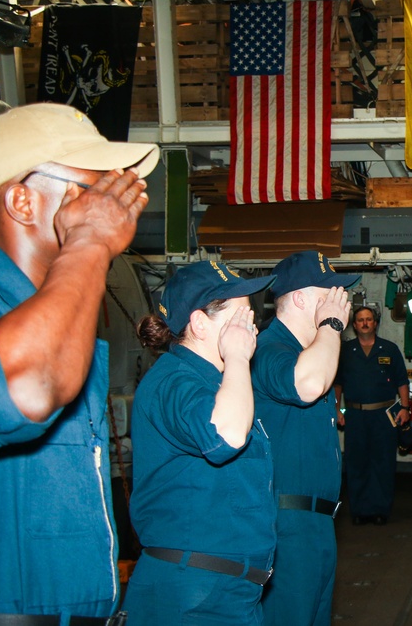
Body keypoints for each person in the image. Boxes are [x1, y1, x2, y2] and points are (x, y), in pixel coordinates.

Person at [0, 103, 157, 621]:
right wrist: (89, 241)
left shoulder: (67, 310)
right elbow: (22, 392)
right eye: (90, 188)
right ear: (22, 199)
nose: (113, 204)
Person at [124, 261, 277, 625]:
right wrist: (239, 356)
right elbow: (226, 435)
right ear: (198, 323)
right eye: (240, 318)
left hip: (228, 591)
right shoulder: (174, 382)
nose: (251, 326)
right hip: (193, 593)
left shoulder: (217, 384)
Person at [253, 251, 357, 626]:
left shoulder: (311, 351)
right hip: (287, 527)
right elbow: (308, 384)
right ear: (299, 298)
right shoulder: (270, 349)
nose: (339, 300)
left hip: (316, 524)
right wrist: (331, 324)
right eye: (328, 292)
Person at [335, 305, 411, 525]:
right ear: (354, 325)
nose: (365, 323)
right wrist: (337, 410)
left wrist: (405, 408)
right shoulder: (345, 351)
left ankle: (380, 510)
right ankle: (359, 511)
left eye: (369, 319)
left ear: (375, 323)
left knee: (382, 463)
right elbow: (337, 383)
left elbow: (402, 381)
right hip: (355, 416)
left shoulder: (389, 349)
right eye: (360, 320)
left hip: (383, 416)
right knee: (356, 462)